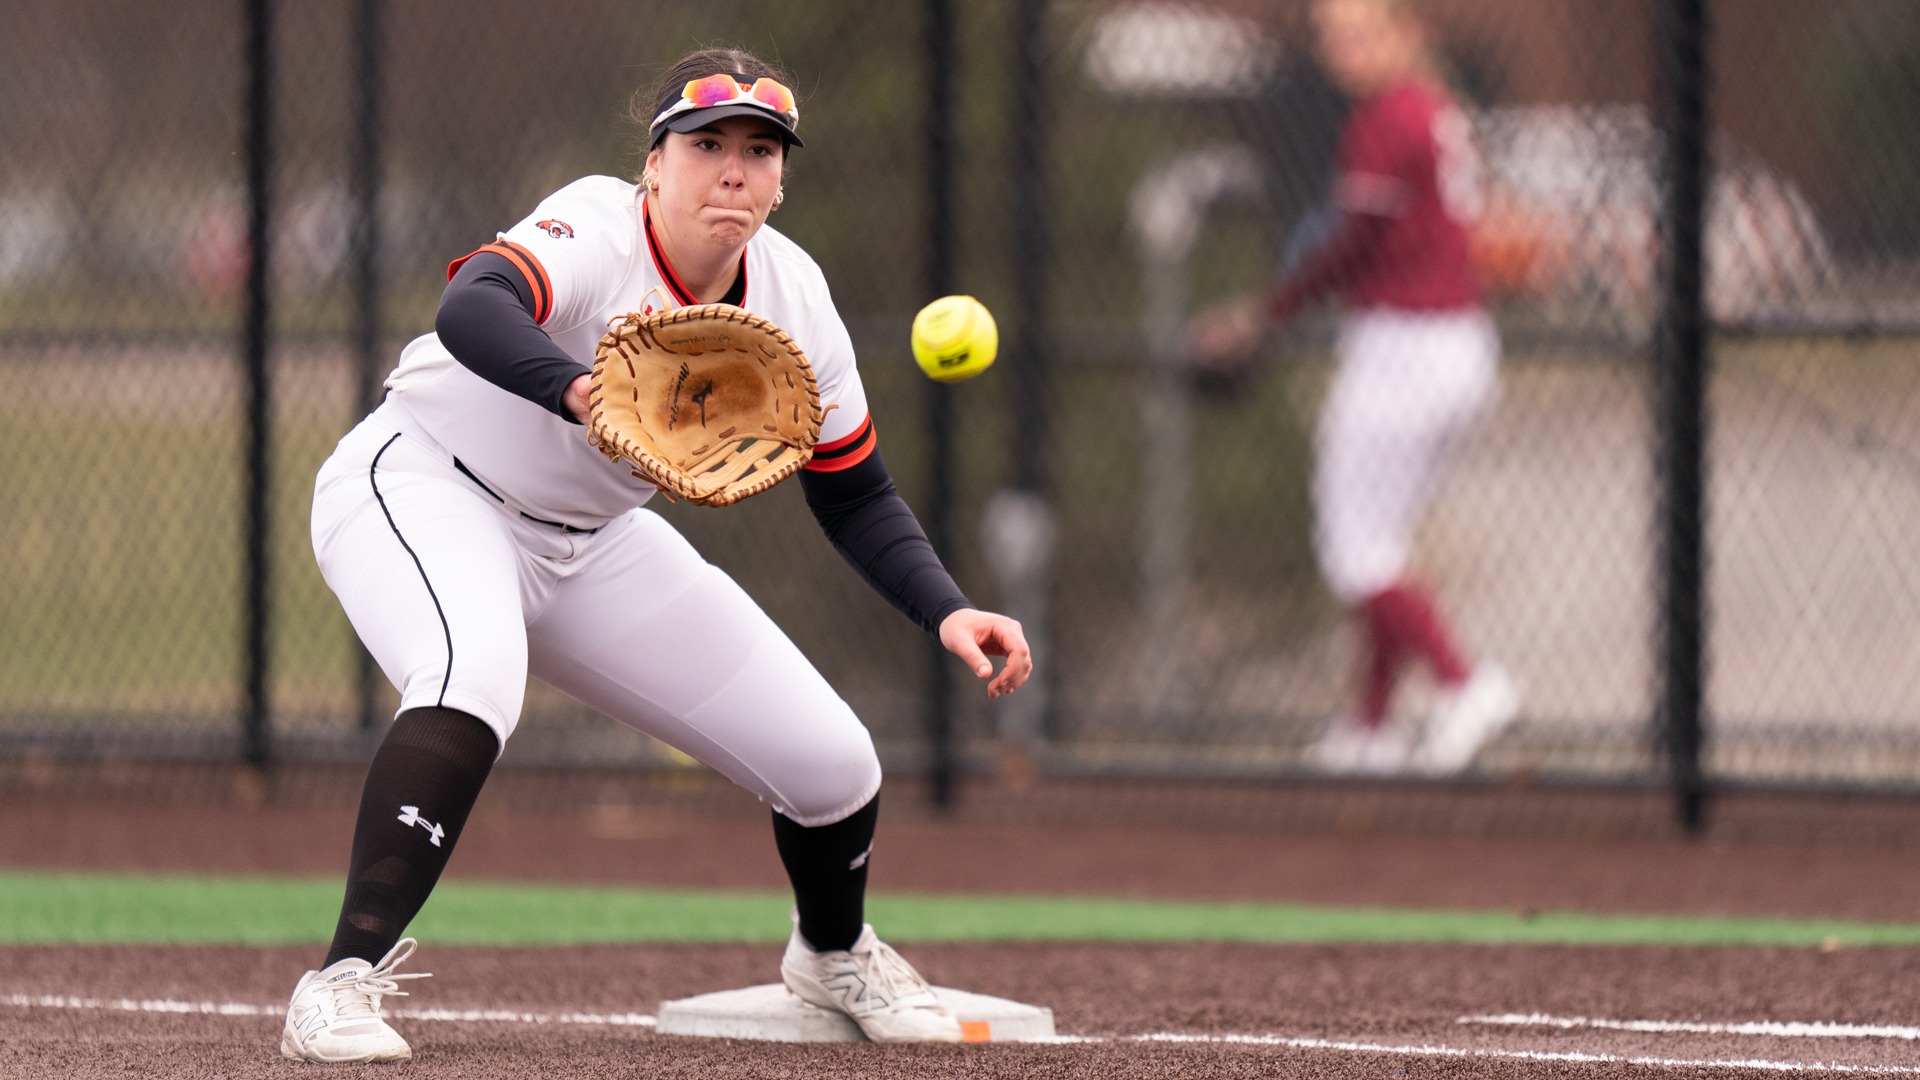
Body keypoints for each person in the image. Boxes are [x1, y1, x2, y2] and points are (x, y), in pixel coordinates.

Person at [280, 47, 1032, 1063]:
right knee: (471, 678)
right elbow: (473, 309)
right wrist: (576, 387)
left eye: (759, 151)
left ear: (779, 178)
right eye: (707, 143)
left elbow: (854, 492)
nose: (733, 169)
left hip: (592, 544)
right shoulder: (597, 223)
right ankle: (340, 981)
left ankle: (832, 951)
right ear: (656, 163)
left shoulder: (794, 298)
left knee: (834, 763)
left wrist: (948, 608)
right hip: (425, 482)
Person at [1188, 0, 1516, 776]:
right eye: (1334, 35)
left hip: (1403, 348)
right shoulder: (1434, 111)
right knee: (1381, 551)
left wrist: (1261, 318)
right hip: (1459, 345)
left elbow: (1350, 245)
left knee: (1357, 553)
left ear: (1409, 34)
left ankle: (1467, 685)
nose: (1343, 49)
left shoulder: (1388, 117)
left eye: (1362, 32)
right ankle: (1368, 731)